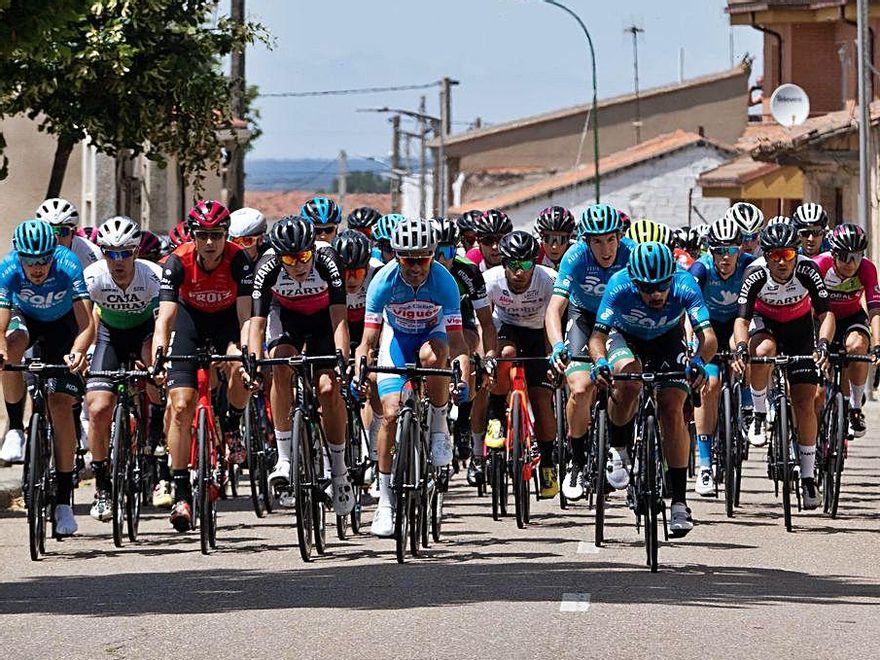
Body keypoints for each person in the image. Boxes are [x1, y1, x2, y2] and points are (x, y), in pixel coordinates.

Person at [589, 241, 717, 536]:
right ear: (634, 281)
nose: (656, 293)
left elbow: (707, 337)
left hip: (666, 339)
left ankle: (680, 503)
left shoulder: (685, 284)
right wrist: (599, 363)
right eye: (647, 288)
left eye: (662, 286)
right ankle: (619, 447)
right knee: (628, 380)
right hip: (626, 337)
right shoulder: (618, 285)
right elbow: (598, 337)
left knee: (672, 408)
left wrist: (698, 361)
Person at [353, 216, 470, 537]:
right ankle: (386, 502)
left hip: (432, 339)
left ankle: (438, 424)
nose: (416, 266)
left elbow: (458, 341)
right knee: (389, 415)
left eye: (423, 259)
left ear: (432, 255)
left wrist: (461, 376)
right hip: (397, 340)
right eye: (408, 259)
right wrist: (359, 371)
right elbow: (367, 342)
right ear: (396, 255)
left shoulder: (444, 281)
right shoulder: (383, 282)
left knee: (435, 356)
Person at [152, 200, 254, 531]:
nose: (210, 243)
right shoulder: (176, 261)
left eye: (217, 235)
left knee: (239, 364)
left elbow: (245, 316)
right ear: (194, 236)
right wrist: (158, 355)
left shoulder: (238, 259)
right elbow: (165, 318)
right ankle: (181, 490)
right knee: (181, 406)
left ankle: (231, 426)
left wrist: (246, 351)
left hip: (226, 322)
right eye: (203, 235)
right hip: (190, 323)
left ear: (226, 235)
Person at [249, 216, 355, 515]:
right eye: (289, 258)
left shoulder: (328, 259)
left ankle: (338, 468)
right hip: (288, 319)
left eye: (304, 256)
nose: (298, 264)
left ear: (313, 249)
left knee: (327, 386)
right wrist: (254, 364)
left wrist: (342, 362)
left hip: (324, 322)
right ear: (278, 255)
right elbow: (256, 325)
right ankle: (284, 457)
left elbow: (339, 320)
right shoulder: (267, 266)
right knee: (278, 365)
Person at [0, 220, 94, 535]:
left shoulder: (68, 265)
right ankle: (15, 427)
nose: (37, 267)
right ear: (19, 255)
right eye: (30, 260)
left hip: (64, 326)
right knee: (11, 351)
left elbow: (86, 326)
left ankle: (64, 501)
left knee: (59, 404)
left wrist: (79, 352)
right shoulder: (9, 267)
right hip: (25, 318)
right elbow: (0, 327)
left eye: (43, 260)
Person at [732, 222, 834, 510]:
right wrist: (742, 347)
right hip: (765, 324)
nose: (781, 262)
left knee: (804, 402)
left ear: (795, 253)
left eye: (787, 255)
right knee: (763, 350)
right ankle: (760, 414)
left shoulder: (807, 269)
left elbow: (826, 314)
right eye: (774, 255)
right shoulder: (755, 273)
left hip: (799, 329)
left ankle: (809, 476)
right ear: (765, 255)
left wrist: (823, 344)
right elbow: (742, 319)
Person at [545, 203, 634, 499]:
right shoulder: (574, 257)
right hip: (582, 317)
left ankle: (620, 445)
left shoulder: (631, 254)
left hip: (620, 321)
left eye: (611, 239)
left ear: (619, 237)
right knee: (581, 388)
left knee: (626, 378)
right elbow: (555, 308)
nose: (606, 249)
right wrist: (558, 345)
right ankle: (577, 460)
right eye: (597, 241)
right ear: (586, 241)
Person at [82, 216, 165, 520]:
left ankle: (156, 434)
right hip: (108, 336)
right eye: (110, 253)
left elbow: (162, 324)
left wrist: (158, 359)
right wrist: (82, 353)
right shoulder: (93, 276)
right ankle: (103, 487)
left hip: (145, 332)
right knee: (99, 407)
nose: (117, 260)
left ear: (136, 252)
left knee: (154, 371)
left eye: (125, 253)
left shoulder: (153, 275)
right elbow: (86, 322)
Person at [480, 231, 559, 497]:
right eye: (513, 265)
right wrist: (487, 358)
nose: (519, 272)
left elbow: (554, 323)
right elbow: (485, 324)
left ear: (534, 264)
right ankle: (496, 417)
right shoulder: (490, 281)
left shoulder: (548, 280)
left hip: (540, 332)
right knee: (507, 353)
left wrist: (552, 362)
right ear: (503, 264)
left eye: (525, 265)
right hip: (506, 329)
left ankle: (548, 463)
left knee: (541, 397)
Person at [687, 217, 755, 496]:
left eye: (730, 251)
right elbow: (687, 308)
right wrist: (692, 341)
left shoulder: (750, 265)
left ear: (740, 250)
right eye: (718, 251)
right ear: (709, 251)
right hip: (708, 326)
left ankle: (749, 403)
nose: (725, 258)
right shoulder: (700, 269)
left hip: (739, 322)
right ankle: (705, 464)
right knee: (710, 385)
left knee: (748, 347)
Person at [430, 217, 496, 485]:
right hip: (426, 320)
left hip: (461, 318)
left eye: (446, 252)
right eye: (435, 251)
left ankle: (464, 421)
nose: (440, 259)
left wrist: (489, 356)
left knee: (466, 350)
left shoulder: (467, 271)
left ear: (455, 250)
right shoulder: (417, 268)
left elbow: (486, 322)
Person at [814, 224, 880, 437]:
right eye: (844, 256)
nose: (851, 263)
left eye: (857, 256)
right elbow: (805, 306)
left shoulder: (867, 269)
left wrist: (877, 346)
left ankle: (854, 408)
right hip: (820, 321)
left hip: (851, 318)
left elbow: (874, 310)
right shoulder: (820, 265)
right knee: (817, 393)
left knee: (859, 346)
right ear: (833, 254)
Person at [35, 198, 103, 268]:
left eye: (63, 231)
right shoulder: (30, 252)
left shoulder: (92, 255)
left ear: (73, 232)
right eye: (49, 231)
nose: (56, 238)